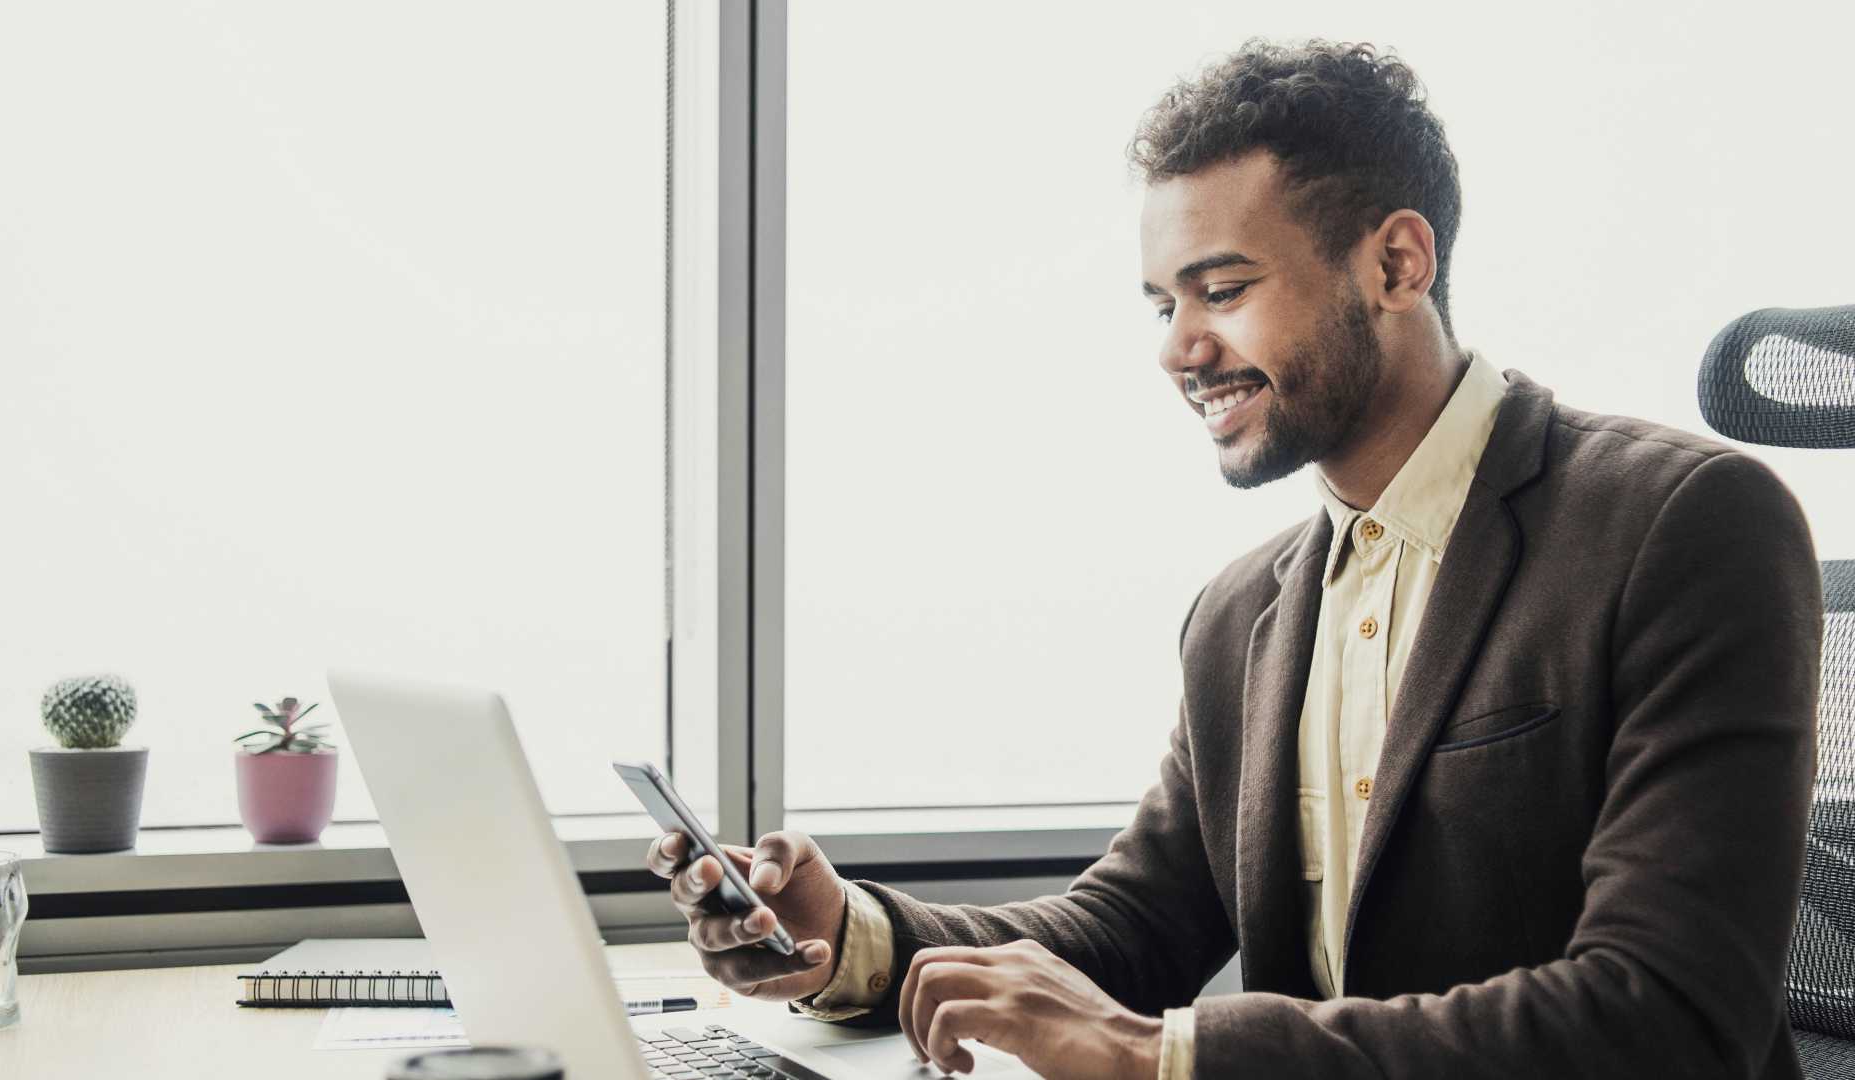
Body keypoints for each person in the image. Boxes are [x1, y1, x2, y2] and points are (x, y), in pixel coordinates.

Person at [646, 36, 1824, 1079]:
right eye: (1161, 303)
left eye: (1223, 289)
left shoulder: (1683, 525)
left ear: (1396, 267)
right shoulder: (1240, 615)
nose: (1179, 349)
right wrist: (843, 936)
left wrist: (1163, 1052)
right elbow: (1133, 923)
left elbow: (1670, 1014)